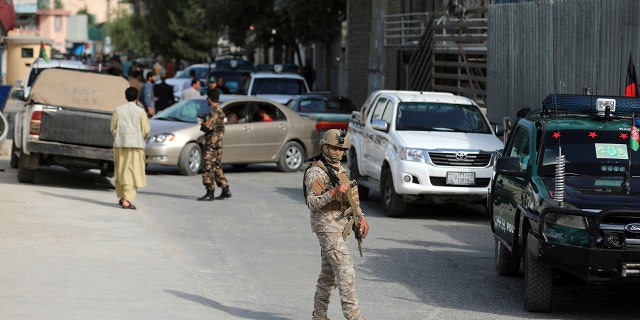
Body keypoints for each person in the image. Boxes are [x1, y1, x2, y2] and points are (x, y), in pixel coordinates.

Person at [303, 129, 369, 320]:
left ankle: (319, 316)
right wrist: (332, 193)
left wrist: (361, 216)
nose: (339, 152)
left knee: (328, 276)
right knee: (346, 271)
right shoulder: (316, 172)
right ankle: (354, 317)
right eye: (334, 148)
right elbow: (312, 203)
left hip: (340, 228)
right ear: (325, 146)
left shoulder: (340, 171)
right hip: (326, 227)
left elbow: (350, 199)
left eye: (342, 149)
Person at [110, 86, 151, 210]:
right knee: (133, 172)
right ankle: (127, 200)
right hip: (135, 145)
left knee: (121, 171)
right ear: (137, 97)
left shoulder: (118, 110)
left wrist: (120, 136)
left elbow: (112, 128)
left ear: (125, 96)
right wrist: (140, 138)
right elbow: (146, 130)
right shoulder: (140, 111)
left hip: (120, 144)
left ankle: (123, 196)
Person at [197, 89, 232, 201]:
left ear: (210, 99)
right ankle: (225, 189)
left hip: (212, 143)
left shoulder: (214, 111)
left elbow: (209, 127)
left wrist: (202, 122)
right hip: (218, 143)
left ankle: (209, 192)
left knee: (207, 166)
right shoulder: (219, 110)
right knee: (216, 167)